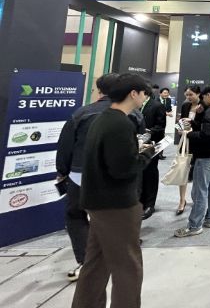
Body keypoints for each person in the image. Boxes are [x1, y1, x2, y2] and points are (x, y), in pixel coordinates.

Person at [71, 73, 155, 308]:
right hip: (116, 205)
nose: (145, 98)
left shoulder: (103, 119)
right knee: (128, 266)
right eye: (144, 93)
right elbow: (123, 169)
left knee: (96, 263)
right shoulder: (120, 123)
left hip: (98, 201)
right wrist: (146, 155)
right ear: (133, 93)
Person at [56, 73, 118, 282]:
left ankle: (87, 261)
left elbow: (66, 146)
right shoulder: (130, 114)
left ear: (99, 90)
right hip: (115, 176)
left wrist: (62, 170)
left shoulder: (82, 113)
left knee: (75, 215)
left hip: (80, 174)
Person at [174, 84, 210, 238]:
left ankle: (194, 226)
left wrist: (187, 133)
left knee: (200, 191)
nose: (202, 99)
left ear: (209, 95)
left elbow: (207, 135)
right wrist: (193, 123)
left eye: (203, 96)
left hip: (206, 156)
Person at [175, 85, 204, 215]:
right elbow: (180, 122)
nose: (188, 97)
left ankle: (198, 199)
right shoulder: (185, 105)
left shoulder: (204, 106)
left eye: (191, 94)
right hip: (185, 142)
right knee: (183, 171)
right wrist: (180, 129)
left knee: (198, 173)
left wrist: (191, 122)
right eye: (186, 95)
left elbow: (203, 127)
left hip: (198, 142)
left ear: (198, 94)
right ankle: (182, 201)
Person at [140, 86, 167, 220]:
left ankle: (150, 204)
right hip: (137, 145)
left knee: (150, 174)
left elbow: (161, 126)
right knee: (139, 174)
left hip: (152, 145)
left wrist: (149, 132)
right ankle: (140, 202)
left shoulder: (157, 106)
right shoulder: (134, 105)